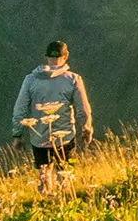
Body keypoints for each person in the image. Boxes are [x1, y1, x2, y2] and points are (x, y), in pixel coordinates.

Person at [12, 40, 93, 191]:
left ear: (46, 57)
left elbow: (20, 109)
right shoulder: (73, 79)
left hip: (39, 136)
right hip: (65, 136)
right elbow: (83, 109)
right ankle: (64, 203)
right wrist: (87, 128)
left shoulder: (30, 80)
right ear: (66, 55)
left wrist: (17, 135)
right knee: (64, 174)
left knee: (44, 174)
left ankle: (46, 205)